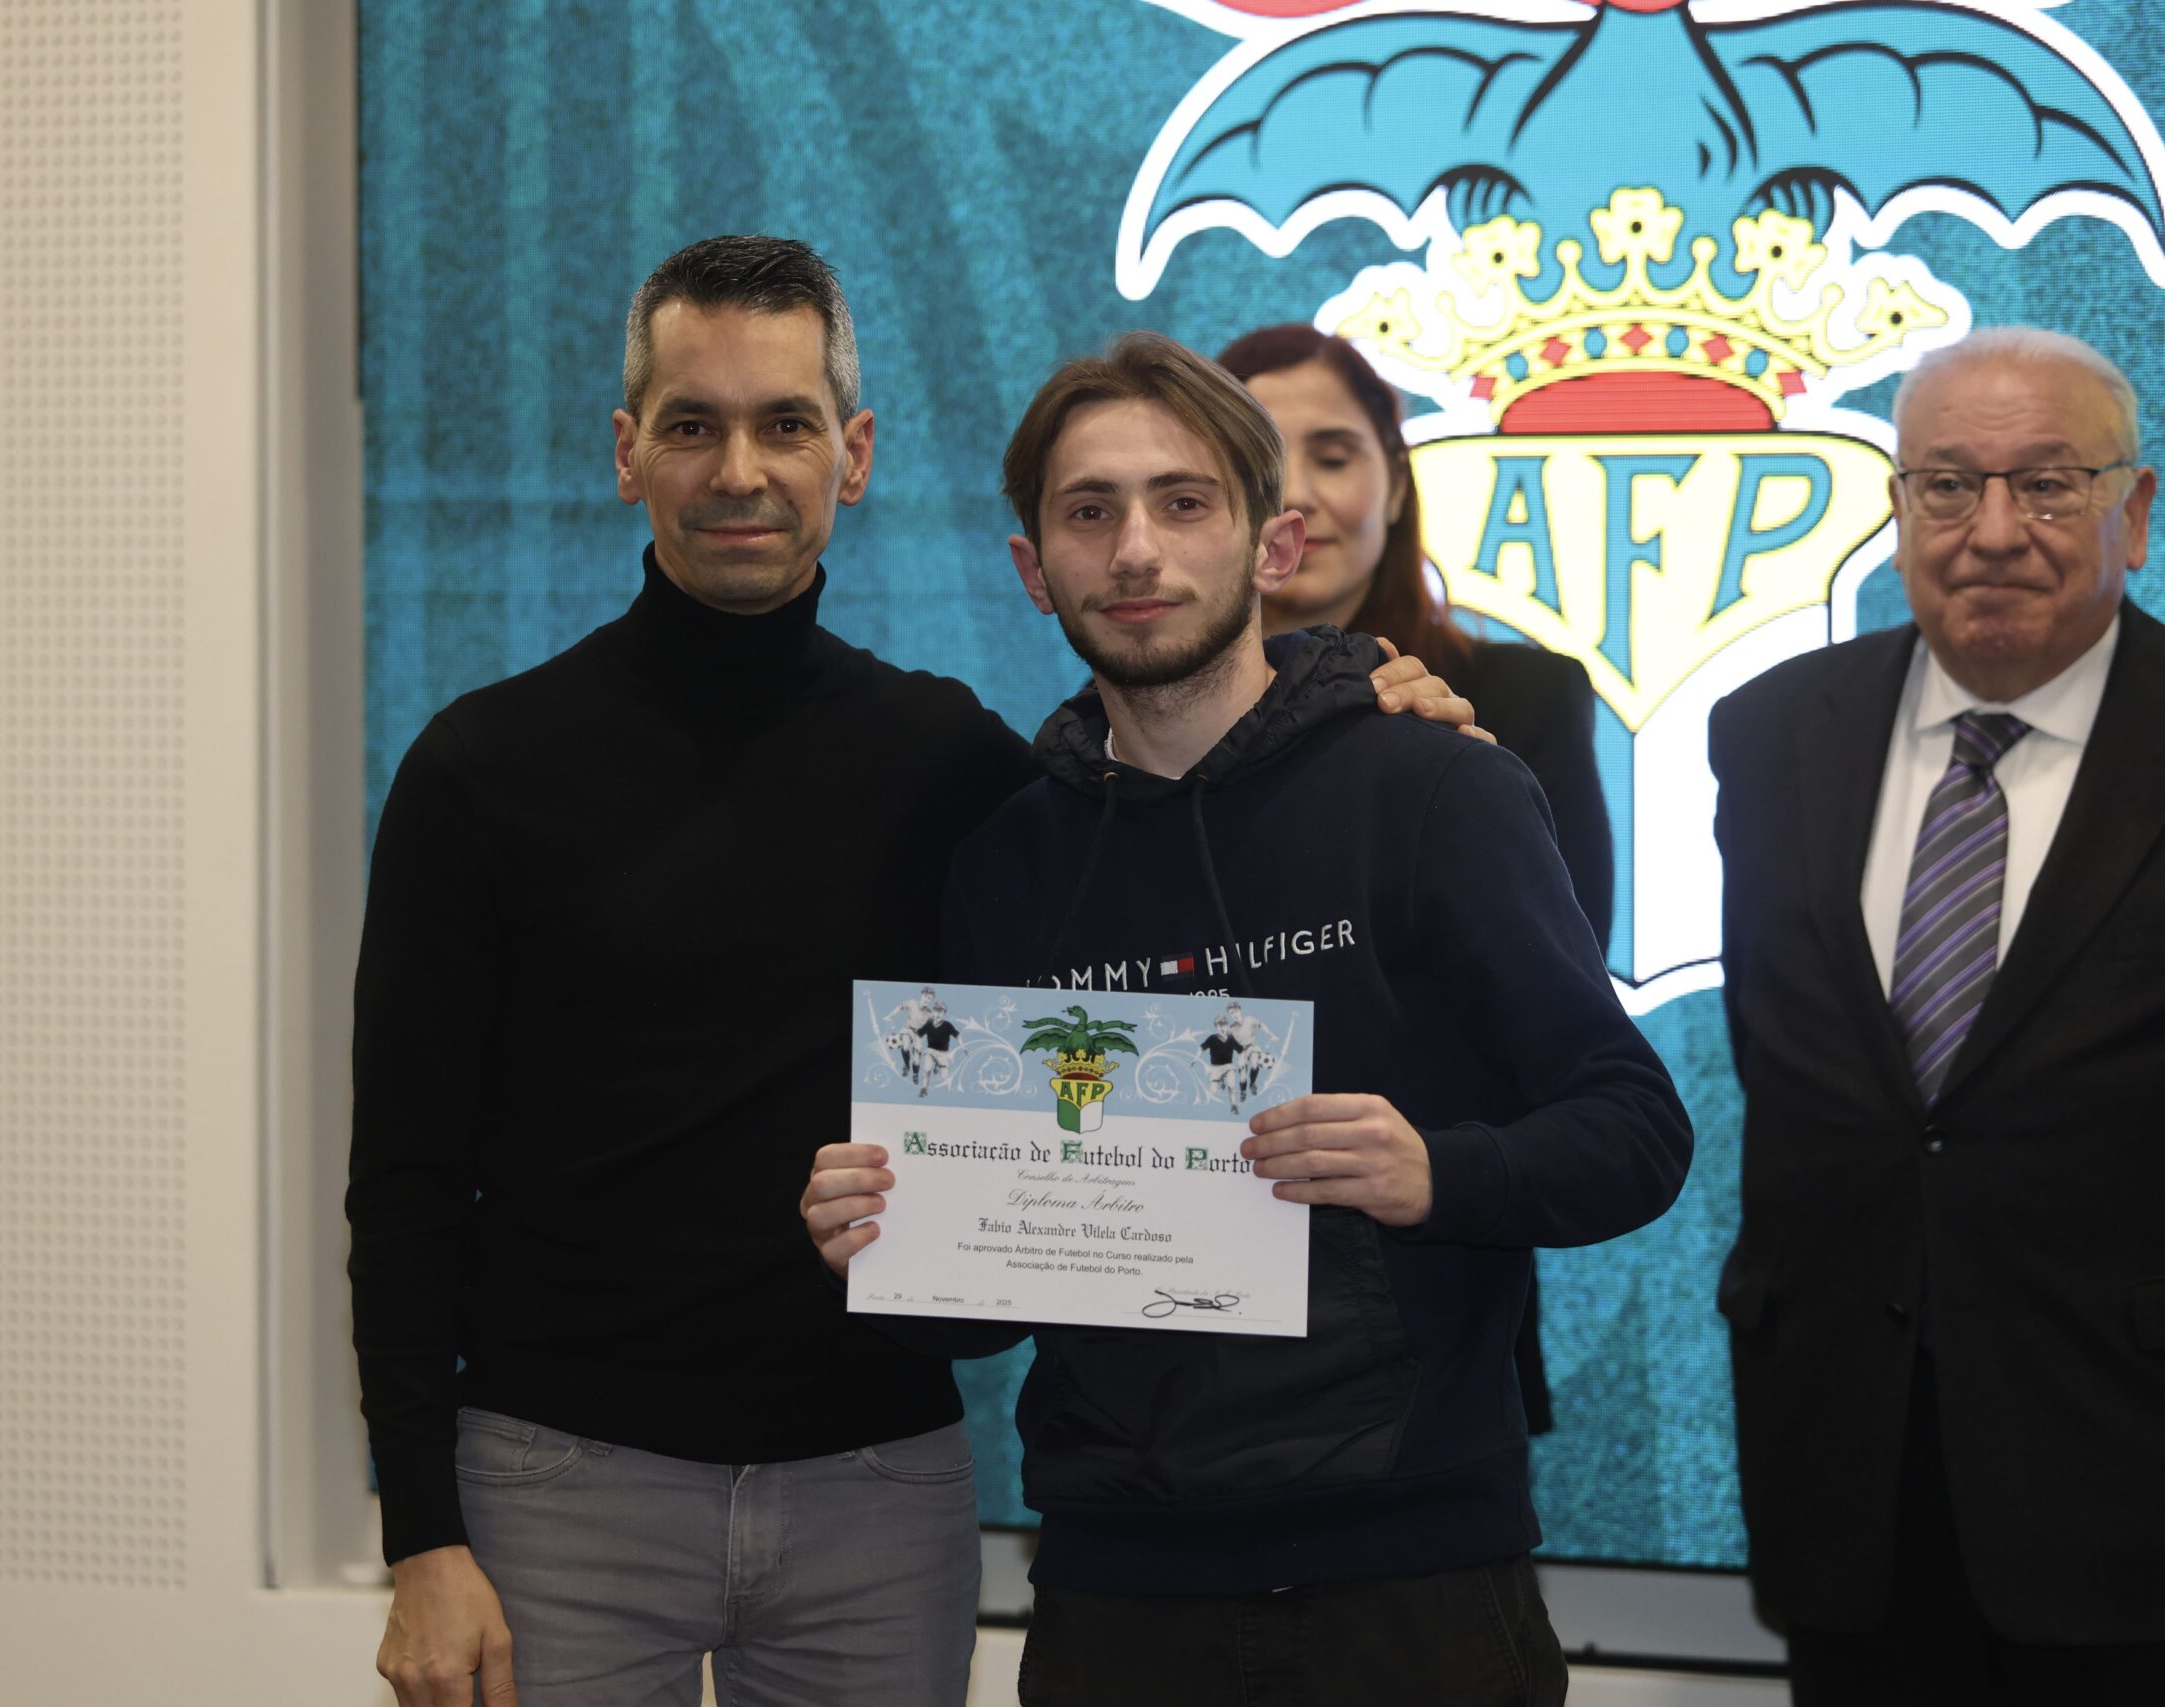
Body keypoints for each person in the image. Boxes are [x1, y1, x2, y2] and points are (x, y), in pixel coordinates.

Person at [348, 237, 1481, 1707]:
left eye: (785, 422)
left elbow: (1183, 796)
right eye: (692, 424)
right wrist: (420, 1533)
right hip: (557, 1487)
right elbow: (405, 1180)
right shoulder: (481, 769)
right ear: (629, 455)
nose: (739, 470)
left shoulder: (953, 764)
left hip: (876, 1494)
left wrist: (1359, 699)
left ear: (855, 453)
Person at [803, 331, 1693, 1706]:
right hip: (1116, 1597)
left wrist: (1437, 1170)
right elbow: (977, 1316)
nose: (1135, 550)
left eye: (1184, 501)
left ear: (1272, 544)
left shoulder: (1438, 789)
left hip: (1414, 1585)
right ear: (1034, 568)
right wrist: (884, 1241)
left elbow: (1636, 1131)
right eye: (1088, 511)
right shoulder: (1006, 863)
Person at [1709, 327, 2165, 1704]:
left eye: (2050, 483)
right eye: (1949, 485)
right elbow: (1787, 1063)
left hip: (2127, 1463)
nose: (1994, 531)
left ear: (2134, 511)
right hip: (1843, 1463)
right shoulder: (1770, 733)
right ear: (1899, 507)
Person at [1218, 323, 1613, 1432]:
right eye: (1259, 460)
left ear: (1395, 483)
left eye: (1334, 454)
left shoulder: (1513, 705)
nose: (1299, 495)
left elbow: (1555, 1018)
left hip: (1432, 1299)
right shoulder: (1126, 731)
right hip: (1167, 1309)